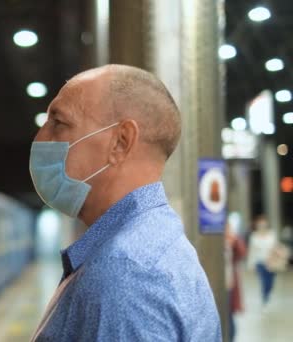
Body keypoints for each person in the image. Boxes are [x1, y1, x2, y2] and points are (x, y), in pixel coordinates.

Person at [29, 64, 221, 341]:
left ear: (120, 142)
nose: (40, 139)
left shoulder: (125, 275)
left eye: (58, 123)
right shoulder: (153, 244)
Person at [247, 215, 278, 308]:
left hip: (271, 262)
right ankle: (265, 299)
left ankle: (268, 294)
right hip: (260, 262)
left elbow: (275, 247)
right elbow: (252, 251)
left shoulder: (272, 234)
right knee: (264, 281)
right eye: (260, 224)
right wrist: (250, 264)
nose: (262, 226)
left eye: (263, 224)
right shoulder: (254, 236)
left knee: (270, 282)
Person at [225, 222, 246, 342]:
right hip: (212, 285)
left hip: (229, 284)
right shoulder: (211, 242)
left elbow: (242, 253)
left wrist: (234, 239)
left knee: (229, 316)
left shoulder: (232, 241)